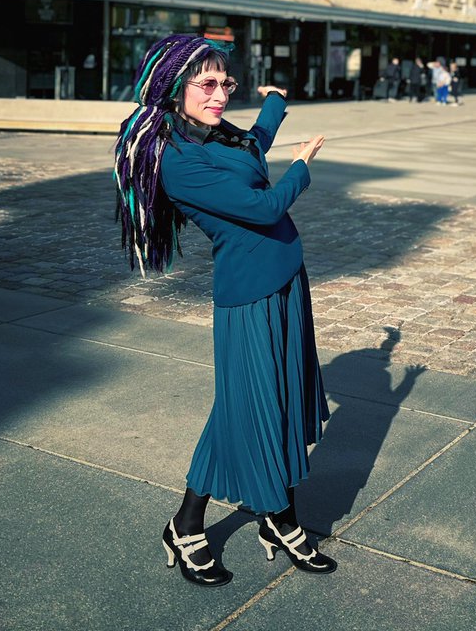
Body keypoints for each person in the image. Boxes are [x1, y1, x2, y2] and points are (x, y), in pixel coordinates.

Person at [113, 35, 335, 587]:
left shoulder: (217, 137)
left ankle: (276, 518)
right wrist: (302, 167)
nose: (219, 95)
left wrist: (274, 104)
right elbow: (262, 207)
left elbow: (253, 147)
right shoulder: (181, 164)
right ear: (174, 89)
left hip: (285, 281)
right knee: (246, 407)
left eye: (224, 84)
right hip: (248, 297)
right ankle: (193, 524)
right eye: (206, 84)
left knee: (274, 400)